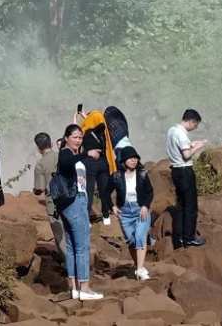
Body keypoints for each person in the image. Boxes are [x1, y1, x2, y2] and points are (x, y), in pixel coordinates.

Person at [56, 124, 104, 301]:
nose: (78, 140)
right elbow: (67, 163)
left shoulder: (73, 154)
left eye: (80, 137)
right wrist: (87, 154)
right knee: (82, 246)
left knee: (71, 246)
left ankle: (74, 288)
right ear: (66, 138)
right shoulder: (66, 153)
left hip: (73, 202)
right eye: (75, 137)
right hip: (75, 201)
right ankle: (84, 287)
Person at [110, 146, 154, 280]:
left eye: (135, 158)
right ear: (124, 160)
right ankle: (138, 266)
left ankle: (140, 269)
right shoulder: (117, 176)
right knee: (131, 241)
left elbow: (150, 192)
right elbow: (105, 193)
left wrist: (146, 206)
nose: (134, 160)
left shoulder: (142, 174)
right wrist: (112, 206)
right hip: (125, 212)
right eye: (130, 158)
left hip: (140, 209)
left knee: (140, 236)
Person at [166, 108, 207, 249]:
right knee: (190, 206)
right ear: (191, 121)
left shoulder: (172, 130)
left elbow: (179, 149)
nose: (195, 128)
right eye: (196, 125)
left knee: (181, 206)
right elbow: (186, 155)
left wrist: (191, 144)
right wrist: (198, 147)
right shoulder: (182, 135)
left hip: (175, 171)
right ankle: (189, 238)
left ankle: (180, 238)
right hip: (184, 172)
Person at [78, 109, 116, 225]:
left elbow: (79, 130)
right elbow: (96, 121)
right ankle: (106, 216)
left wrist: (79, 118)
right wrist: (86, 116)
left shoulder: (84, 133)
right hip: (104, 162)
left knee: (88, 191)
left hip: (90, 163)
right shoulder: (104, 132)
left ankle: (87, 219)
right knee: (104, 190)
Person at [32, 132, 65, 258]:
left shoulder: (40, 164)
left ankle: (70, 266)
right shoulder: (63, 156)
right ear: (51, 143)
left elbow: (39, 188)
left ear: (38, 148)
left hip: (53, 203)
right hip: (70, 199)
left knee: (60, 234)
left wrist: (35, 190)